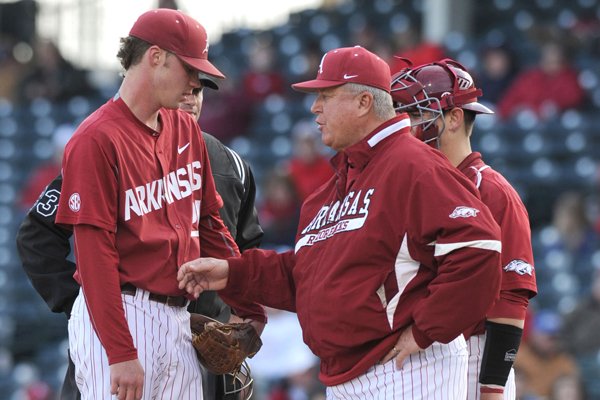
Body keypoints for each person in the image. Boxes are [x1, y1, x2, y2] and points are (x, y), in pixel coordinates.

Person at [177, 45, 504, 398]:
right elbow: (304, 274)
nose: (315, 108)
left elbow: (479, 249)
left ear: (364, 103)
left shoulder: (413, 164)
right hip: (347, 373)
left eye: (326, 96)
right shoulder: (333, 186)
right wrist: (232, 273)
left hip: (405, 368)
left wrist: (426, 330)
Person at [50, 9, 266, 399]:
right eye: (189, 70)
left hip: (179, 318)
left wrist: (247, 300)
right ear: (155, 57)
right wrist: (120, 352)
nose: (195, 83)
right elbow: (93, 254)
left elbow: (211, 223)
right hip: (122, 311)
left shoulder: (184, 127)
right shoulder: (95, 140)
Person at [391, 58, 538, 399]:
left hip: (474, 355)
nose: (406, 125)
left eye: (417, 114)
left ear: (454, 118)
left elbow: (511, 298)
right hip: (417, 353)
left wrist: (491, 388)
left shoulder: (491, 190)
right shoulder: (408, 186)